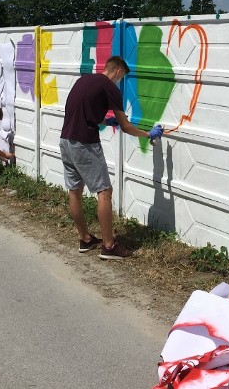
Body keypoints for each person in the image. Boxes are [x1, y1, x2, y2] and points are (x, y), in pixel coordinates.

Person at [60, 55, 163, 260]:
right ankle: (108, 246)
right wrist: (147, 134)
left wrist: (106, 121)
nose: (120, 81)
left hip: (66, 140)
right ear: (117, 71)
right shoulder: (110, 87)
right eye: (121, 76)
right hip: (86, 143)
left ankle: (85, 239)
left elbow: (84, 112)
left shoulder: (84, 80)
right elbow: (125, 126)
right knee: (104, 191)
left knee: (75, 190)